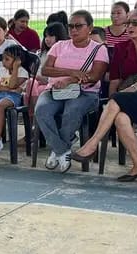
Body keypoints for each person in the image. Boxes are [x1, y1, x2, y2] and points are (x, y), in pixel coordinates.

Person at [70, 9, 137, 181]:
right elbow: (115, 80)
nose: (130, 27)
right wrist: (113, 101)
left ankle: (92, 144)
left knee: (118, 99)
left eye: (135, 23)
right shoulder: (121, 48)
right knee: (120, 118)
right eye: (127, 23)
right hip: (132, 97)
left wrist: (131, 90)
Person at [33, 11, 110, 172]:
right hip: (55, 90)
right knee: (41, 110)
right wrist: (72, 72)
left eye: (78, 26)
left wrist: (68, 80)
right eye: (70, 26)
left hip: (86, 92)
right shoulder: (59, 46)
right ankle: (62, 149)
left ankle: (57, 149)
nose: (73, 30)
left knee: (72, 109)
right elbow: (46, 70)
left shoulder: (98, 49)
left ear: (90, 27)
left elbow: (94, 76)